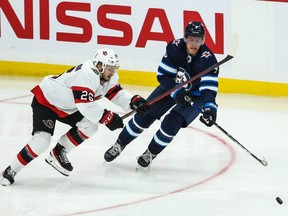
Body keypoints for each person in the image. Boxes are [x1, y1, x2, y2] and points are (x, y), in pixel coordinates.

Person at [0, 48, 148, 186]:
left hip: (69, 107)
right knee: (41, 142)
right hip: (47, 101)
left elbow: (116, 94)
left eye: (114, 68)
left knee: (90, 126)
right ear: (100, 65)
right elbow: (85, 104)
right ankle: (10, 170)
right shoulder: (87, 73)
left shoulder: (108, 77)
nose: (113, 72)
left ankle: (59, 151)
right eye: (110, 68)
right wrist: (107, 117)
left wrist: (134, 101)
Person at [103, 21, 219, 168]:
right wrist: (177, 91)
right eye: (191, 39)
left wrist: (210, 109)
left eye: (198, 40)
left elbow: (209, 91)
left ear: (203, 41)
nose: (194, 44)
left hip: (194, 95)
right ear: (185, 38)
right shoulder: (175, 48)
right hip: (170, 88)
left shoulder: (208, 60)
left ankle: (150, 153)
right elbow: (164, 76)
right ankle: (119, 144)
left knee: (171, 125)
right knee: (143, 116)